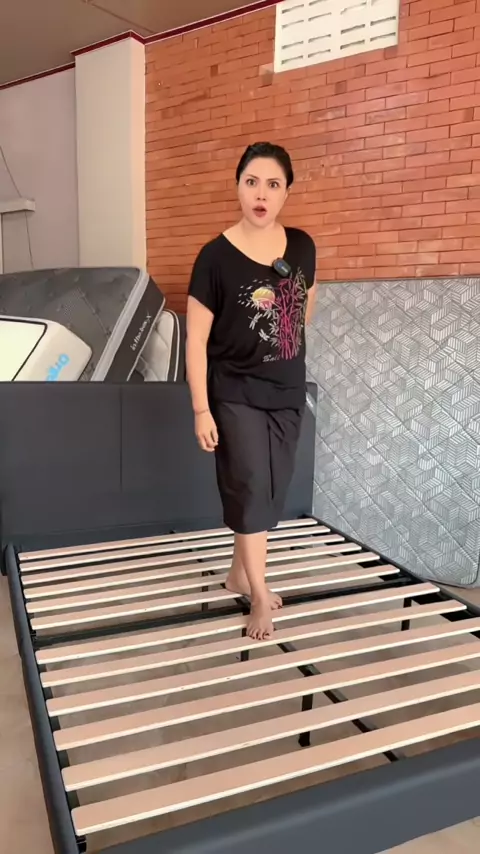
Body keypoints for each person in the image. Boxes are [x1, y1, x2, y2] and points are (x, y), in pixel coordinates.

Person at [186, 141, 317, 641]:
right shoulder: (214, 257)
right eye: (252, 182)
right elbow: (195, 340)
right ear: (238, 186)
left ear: (286, 192)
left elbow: (304, 311)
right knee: (250, 485)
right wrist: (201, 409)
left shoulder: (302, 246)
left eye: (273, 184)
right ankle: (259, 594)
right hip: (234, 391)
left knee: (271, 490)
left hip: (286, 391)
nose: (262, 194)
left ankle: (238, 574)